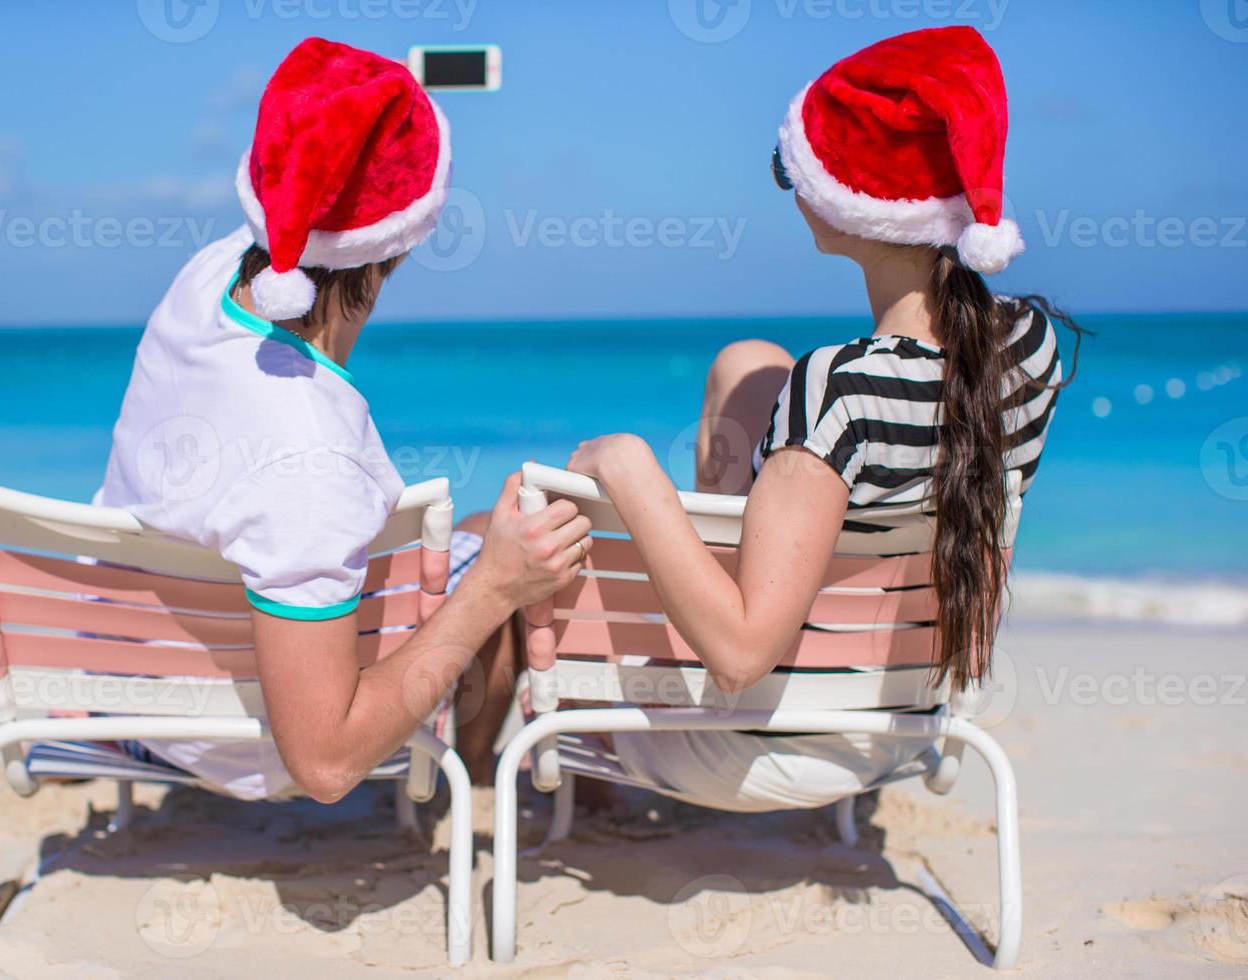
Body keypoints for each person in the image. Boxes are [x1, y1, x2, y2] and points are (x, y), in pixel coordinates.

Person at [542, 26, 1082, 811]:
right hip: (900, 722)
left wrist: (629, 471)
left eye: (795, 169)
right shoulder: (1031, 347)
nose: (790, 187)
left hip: (750, 740)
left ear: (859, 206)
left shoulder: (839, 389)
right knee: (747, 363)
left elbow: (739, 657)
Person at [96, 38, 592, 804]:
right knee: (514, 550)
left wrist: (367, 110)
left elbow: (305, 184)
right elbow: (323, 764)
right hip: (242, 746)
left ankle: (487, 763)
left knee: (476, 530)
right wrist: (495, 587)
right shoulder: (311, 456)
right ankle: (486, 775)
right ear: (407, 239)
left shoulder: (204, 283)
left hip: (134, 682)